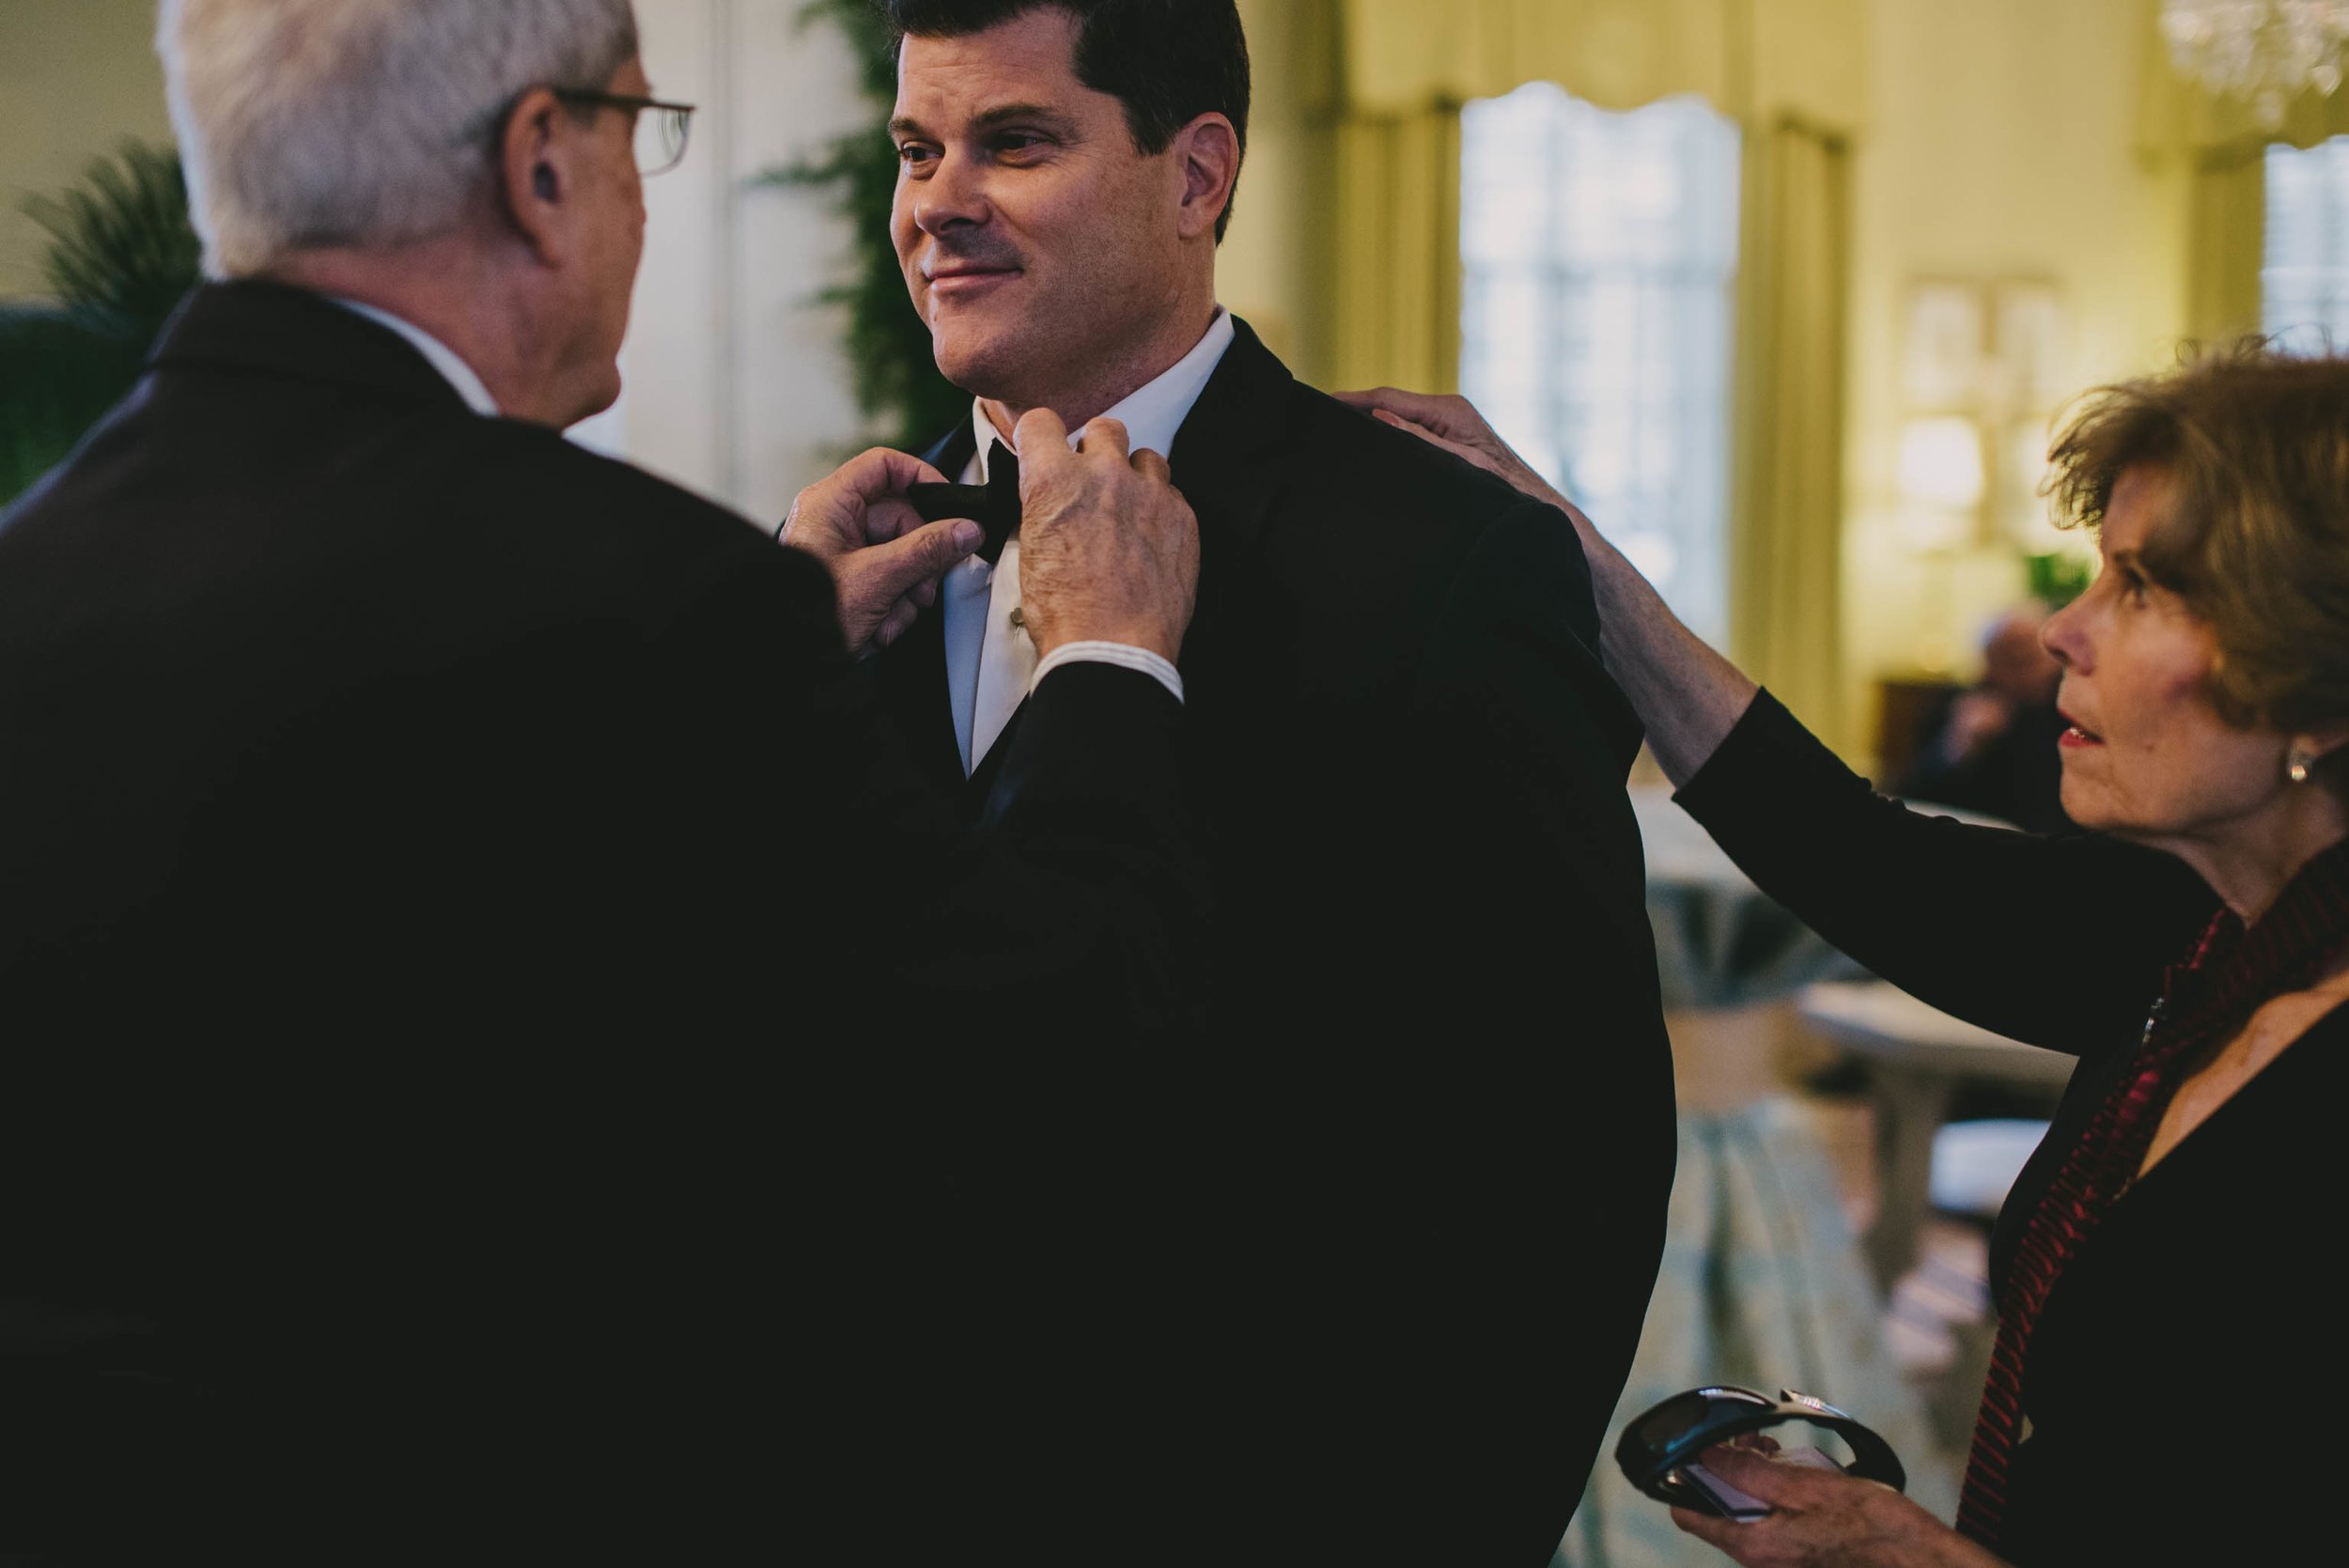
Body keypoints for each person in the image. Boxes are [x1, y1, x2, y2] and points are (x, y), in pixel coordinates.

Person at [0, 0, 1207, 1559]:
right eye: (640, 128)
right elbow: (1038, 1084)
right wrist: (1110, 658)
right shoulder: (652, 606)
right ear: (541, 166)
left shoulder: (28, 576)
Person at [868, 3, 1676, 1561]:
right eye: (917, 148)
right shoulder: (860, 559)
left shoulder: (1444, 560)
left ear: (1196, 176)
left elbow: (1564, 1165)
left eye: (1014, 141)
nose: (936, 200)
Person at [1347, 343, 2349, 1566]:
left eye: (2141, 587)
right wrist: (1571, 549)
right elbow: (1861, 857)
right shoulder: (2195, 940)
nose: (2063, 631)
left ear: (2321, 683)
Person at [1895, 602, 2073, 833]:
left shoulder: (2070, 711)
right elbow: (1913, 795)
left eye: (2028, 651)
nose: (2018, 660)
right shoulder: (1956, 706)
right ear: (1986, 659)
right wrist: (1959, 745)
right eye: (2007, 653)